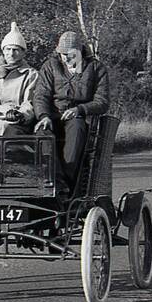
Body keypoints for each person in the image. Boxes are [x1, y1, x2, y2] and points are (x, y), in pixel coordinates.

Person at [33, 30, 110, 194]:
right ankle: (52, 181)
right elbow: (41, 95)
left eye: (70, 55)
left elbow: (102, 101)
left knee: (76, 130)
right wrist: (44, 116)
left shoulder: (96, 68)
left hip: (78, 118)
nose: (66, 58)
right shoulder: (50, 66)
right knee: (42, 134)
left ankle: (66, 187)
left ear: (80, 51)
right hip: (52, 116)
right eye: (62, 54)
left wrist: (80, 109)